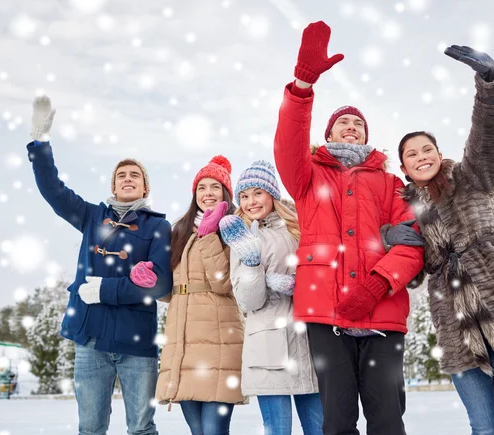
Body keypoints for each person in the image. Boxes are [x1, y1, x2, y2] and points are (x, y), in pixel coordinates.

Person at [273, 21, 425, 435]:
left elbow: (412, 244)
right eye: (343, 123)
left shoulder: (392, 184)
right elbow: (287, 144)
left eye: (358, 124)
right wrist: (302, 86)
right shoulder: (307, 177)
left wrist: (377, 286)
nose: (351, 127)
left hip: (383, 314)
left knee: (387, 420)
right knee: (336, 421)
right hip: (327, 315)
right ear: (327, 133)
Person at [394, 45, 494, 435]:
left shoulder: (472, 177)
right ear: (404, 168)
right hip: (456, 328)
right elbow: (411, 275)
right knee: (483, 428)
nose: (421, 156)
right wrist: (396, 243)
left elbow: (489, 134)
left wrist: (492, 85)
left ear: (439, 153)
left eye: (427, 148)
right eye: (412, 154)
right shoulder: (402, 210)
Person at [26, 95, 172, 435]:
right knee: (90, 428)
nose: (128, 178)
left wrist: (105, 289)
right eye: (121, 175)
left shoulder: (158, 227)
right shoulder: (92, 216)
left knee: (141, 429)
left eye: (135, 175)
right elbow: (53, 190)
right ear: (113, 185)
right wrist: (40, 142)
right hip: (90, 341)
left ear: (145, 187)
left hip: (137, 344)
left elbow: (160, 284)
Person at [218, 160, 323, 435]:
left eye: (258, 192)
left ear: (272, 194)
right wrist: (252, 264)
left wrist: (297, 285)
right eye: (244, 195)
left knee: (321, 429)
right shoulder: (241, 237)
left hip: (309, 342)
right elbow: (248, 302)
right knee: (278, 430)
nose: (251, 201)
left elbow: (320, 276)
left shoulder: (298, 227)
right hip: (268, 346)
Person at [155, 156, 246, 435]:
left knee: (213, 430)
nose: (208, 193)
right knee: (198, 431)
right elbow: (174, 290)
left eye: (215, 187)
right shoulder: (180, 230)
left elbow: (222, 283)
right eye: (202, 188)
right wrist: (152, 283)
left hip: (219, 338)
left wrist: (209, 235)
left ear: (225, 193)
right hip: (182, 341)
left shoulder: (234, 226)